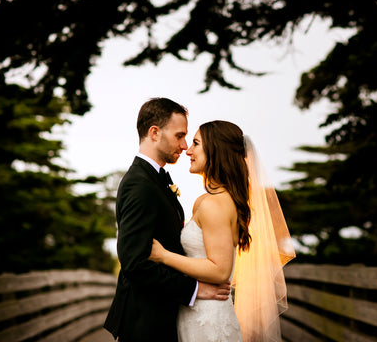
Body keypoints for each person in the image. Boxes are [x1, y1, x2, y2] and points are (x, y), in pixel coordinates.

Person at [148, 120, 296, 342]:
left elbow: (220, 270)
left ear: (215, 151)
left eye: (196, 143)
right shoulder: (221, 200)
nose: (188, 150)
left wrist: (163, 256)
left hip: (207, 318)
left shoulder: (214, 204)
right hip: (202, 310)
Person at [104, 98, 231, 342]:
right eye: (179, 135)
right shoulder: (139, 184)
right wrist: (195, 289)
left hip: (162, 315)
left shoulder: (156, 179)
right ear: (154, 133)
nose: (184, 145)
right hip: (146, 322)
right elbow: (134, 263)